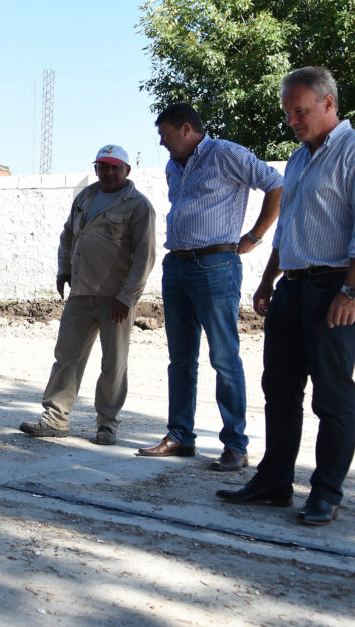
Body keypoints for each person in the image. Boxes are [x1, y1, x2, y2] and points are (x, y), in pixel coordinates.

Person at [217, 67, 355, 525]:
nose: (292, 120)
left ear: (329, 104)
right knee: (280, 389)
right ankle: (274, 483)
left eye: (300, 111)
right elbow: (287, 227)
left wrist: (353, 289)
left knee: (331, 395)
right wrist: (269, 278)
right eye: (288, 113)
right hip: (292, 285)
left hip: (336, 287)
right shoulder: (297, 158)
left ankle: (326, 492)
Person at [139, 103, 283, 471]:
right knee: (180, 359)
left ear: (186, 129)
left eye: (166, 135)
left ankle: (235, 445)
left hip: (216, 265)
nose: (162, 143)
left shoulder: (226, 154)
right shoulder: (174, 166)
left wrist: (254, 235)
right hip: (178, 266)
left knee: (224, 357)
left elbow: (277, 184)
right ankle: (180, 436)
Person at [19, 144, 156, 445]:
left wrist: (127, 296)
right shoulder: (85, 198)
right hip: (81, 293)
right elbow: (68, 235)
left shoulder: (138, 205)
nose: (108, 172)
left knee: (113, 363)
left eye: (114, 167)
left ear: (126, 170)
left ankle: (107, 424)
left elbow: (145, 256)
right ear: (96, 169)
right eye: (102, 166)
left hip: (115, 299)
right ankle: (55, 418)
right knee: (66, 357)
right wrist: (63, 269)